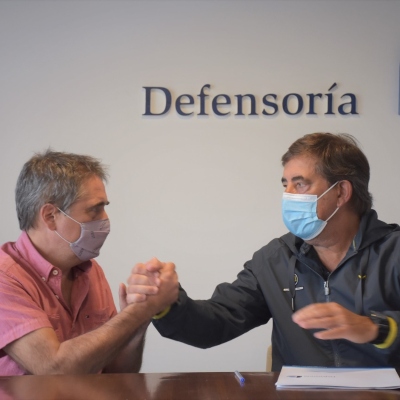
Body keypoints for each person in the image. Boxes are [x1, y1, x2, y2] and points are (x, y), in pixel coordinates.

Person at [126, 132, 400, 371]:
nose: (288, 195)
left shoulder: (394, 251)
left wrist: (377, 329)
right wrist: (167, 304)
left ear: (341, 192)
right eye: (285, 185)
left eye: (300, 184)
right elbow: (216, 323)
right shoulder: (275, 259)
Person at [0, 150, 178, 376]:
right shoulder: (5, 277)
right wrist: (139, 312)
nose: (105, 219)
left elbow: (119, 372)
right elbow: (55, 370)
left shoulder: (89, 270)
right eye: (95, 210)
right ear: (50, 216)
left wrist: (138, 322)